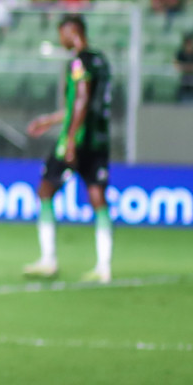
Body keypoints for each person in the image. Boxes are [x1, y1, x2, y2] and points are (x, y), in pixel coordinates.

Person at [21, 15, 114, 283]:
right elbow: (85, 104)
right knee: (98, 197)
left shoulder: (78, 62)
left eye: (62, 33)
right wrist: (49, 120)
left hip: (77, 138)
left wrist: (71, 139)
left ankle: (48, 260)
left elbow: (82, 100)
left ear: (72, 32)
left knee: (45, 190)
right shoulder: (101, 62)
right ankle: (104, 267)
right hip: (99, 139)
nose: (60, 39)